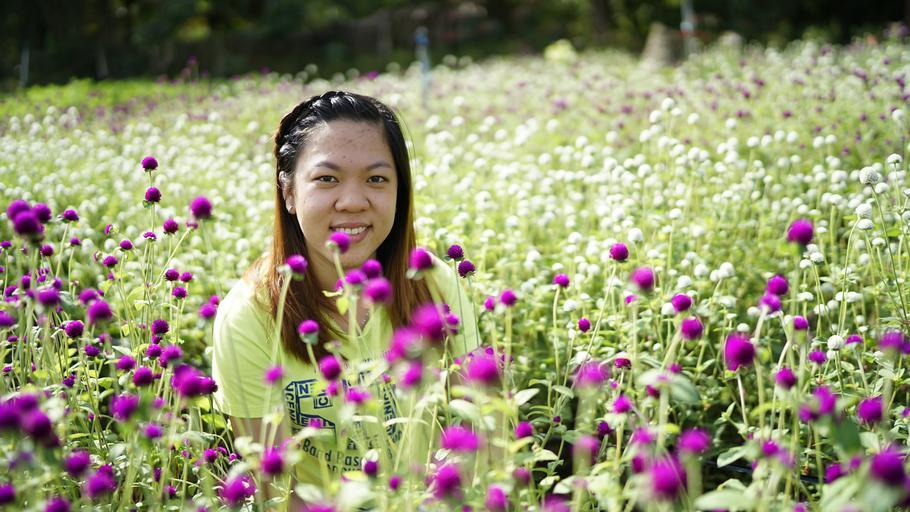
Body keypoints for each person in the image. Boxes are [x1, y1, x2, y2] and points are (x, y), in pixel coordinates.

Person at [210, 91, 480, 505]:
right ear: (288, 192)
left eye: (376, 179)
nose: (353, 202)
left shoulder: (433, 284)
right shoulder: (251, 314)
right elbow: (275, 491)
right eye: (327, 179)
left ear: (400, 190)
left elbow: (483, 427)